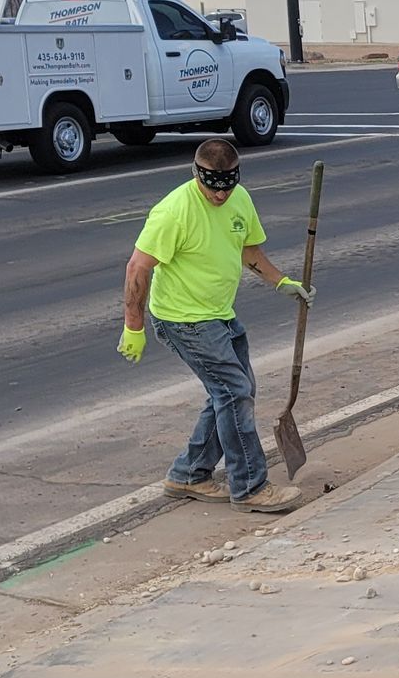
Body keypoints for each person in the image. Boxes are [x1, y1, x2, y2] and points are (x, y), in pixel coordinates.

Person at [117, 138, 313, 513]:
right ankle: (250, 486)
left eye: (227, 186)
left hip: (218, 312)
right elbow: (137, 267)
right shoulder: (174, 211)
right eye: (213, 187)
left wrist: (282, 282)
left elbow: (248, 249)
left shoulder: (239, 198)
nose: (221, 195)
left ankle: (189, 474)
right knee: (235, 391)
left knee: (232, 391)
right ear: (198, 175)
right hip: (182, 318)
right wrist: (134, 326)